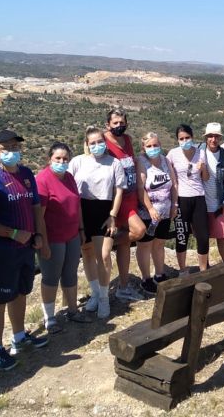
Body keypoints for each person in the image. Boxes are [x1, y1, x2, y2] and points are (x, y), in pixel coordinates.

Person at [0, 129, 49, 367]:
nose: (13, 152)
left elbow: (35, 208)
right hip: (1, 249)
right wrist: (13, 233)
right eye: (7, 148)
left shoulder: (26, 174)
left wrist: (39, 235)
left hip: (25, 248)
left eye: (16, 147)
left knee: (21, 292)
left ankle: (19, 336)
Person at [69, 126, 125, 319]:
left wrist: (113, 215)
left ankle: (104, 298)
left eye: (100, 142)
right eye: (92, 143)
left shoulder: (114, 163)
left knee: (104, 255)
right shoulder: (77, 162)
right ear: (86, 144)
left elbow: (119, 191)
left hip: (105, 210)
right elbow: (68, 186)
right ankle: (95, 293)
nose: (97, 145)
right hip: (83, 209)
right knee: (87, 251)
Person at [36, 142, 86, 331]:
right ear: (50, 159)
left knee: (70, 274)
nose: (62, 162)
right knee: (50, 277)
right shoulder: (43, 180)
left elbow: (77, 205)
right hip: (53, 237)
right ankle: (49, 317)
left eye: (65, 159)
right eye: (58, 158)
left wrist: (81, 230)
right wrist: (43, 241)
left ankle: (72, 310)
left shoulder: (70, 178)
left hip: (72, 234)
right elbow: (38, 215)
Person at [103, 109, 148, 301]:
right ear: (108, 125)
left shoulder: (127, 140)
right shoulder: (103, 142)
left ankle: (123, 286)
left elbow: (131, 163)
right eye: (115, 123)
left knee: (126, 244)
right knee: (139, 231)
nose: (119, 126)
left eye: (122, 122)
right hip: (116, 198)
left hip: (130, 197)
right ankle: (104, 246)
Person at [136, 132, 178, 293]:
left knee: (160, 243)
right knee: (145, 245)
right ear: (143, 148)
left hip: (165, 211)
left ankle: (160, 274)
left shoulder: (165, 160)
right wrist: (150, 209)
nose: (153, 149)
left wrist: (174, 204)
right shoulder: (142, 162)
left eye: (155, 145)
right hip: (148, 213)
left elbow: (173, 184)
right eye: (149, 146)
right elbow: (141, 189)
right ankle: (146, 278)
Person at [166, 124, 211, 272]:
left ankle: (203, 270)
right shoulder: (172, 154)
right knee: (181, 236)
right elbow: (165, 169)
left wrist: (203, 168)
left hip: (198, 198)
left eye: (187, 138)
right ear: (177, 140)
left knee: (203, 237)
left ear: (192, 137)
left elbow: (206, 178)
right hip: (181, 199)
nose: (185, 141)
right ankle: (183, 270)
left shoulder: (200, 153)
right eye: (181, 138)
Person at [200, 123, 224, 264]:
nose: (213, 139)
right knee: (203, 237)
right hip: (200, 202)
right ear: (206, 137)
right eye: (210, 136)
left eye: (216, 136)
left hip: (218, 203)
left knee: (221, 236)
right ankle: (205, 266)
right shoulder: (198, 152)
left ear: (220, 138)